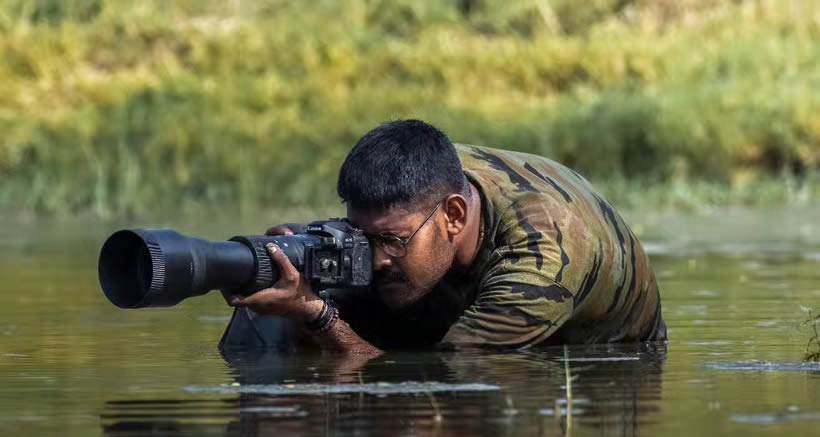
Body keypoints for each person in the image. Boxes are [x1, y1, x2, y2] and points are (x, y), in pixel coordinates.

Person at [228, 120, 666, 356]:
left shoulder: (543, 253)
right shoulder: (426, 188)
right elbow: (383, 228)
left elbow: (442, 381)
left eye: (392, 241)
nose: (377, 259)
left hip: (585, 373)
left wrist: (320, 317)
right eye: (364, 237)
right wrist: (304, 250)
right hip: (443, 286)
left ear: (454, 215)